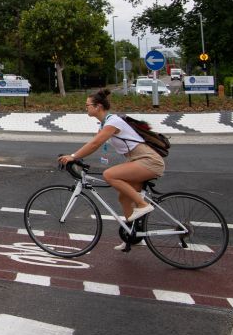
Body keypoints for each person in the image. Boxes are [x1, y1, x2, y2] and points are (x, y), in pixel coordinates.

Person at [58, 88, 165, 249]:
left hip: (148, 160)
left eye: (87, 105)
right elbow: (94, 144)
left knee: (110, 175)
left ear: (98, 106)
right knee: (123, 197)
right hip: (137, 160)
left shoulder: (112, 122)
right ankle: (133, 236)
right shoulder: (105, 124)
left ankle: (143, 205)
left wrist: (73, 156)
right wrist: (79, 158)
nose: (85, 107)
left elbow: (95, 143)